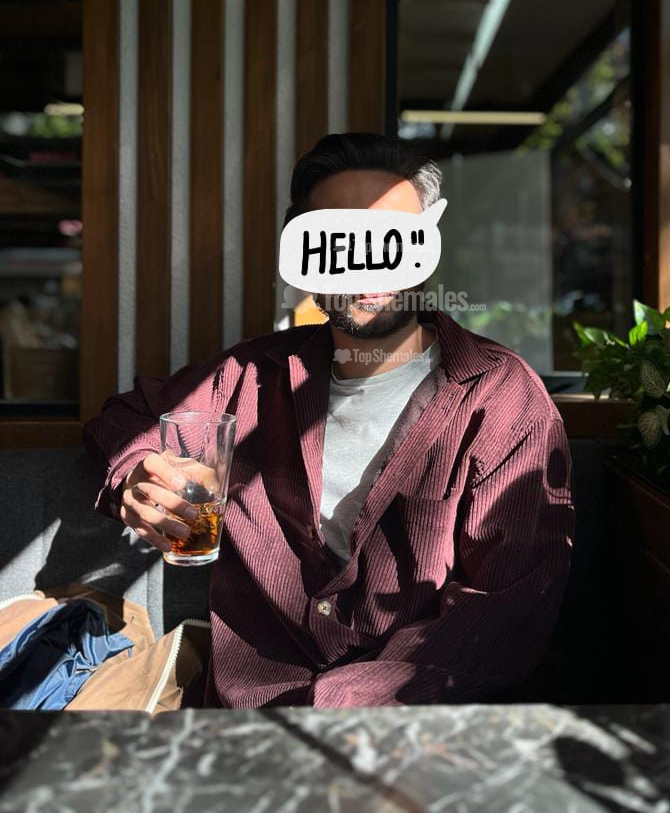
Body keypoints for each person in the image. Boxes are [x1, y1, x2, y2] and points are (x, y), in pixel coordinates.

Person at [83, 132, 574, 708]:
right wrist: (138, 472)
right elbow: (130, 417)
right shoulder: (252, 376)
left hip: (414, 728)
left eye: (392, 238)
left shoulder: (502, 397)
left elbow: (504, 609)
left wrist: (333, 709)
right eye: (339, 237)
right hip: (242, 717)